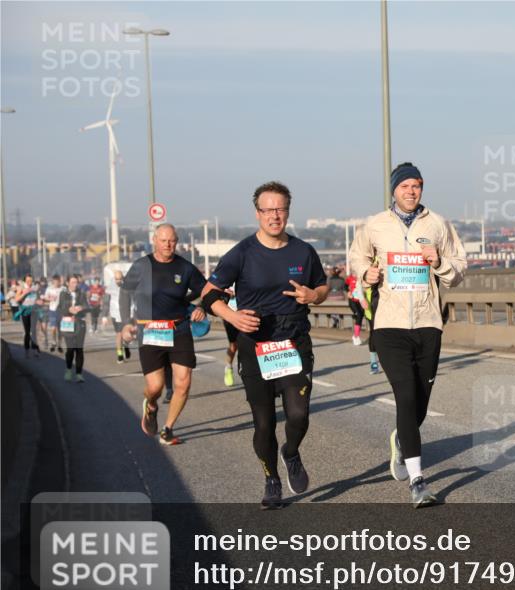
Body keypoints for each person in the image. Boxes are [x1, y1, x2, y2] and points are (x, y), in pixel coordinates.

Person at [201, 181, 329, 508]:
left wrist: (313, 295)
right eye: (267, 210)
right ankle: (271, 479)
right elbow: (208, 294)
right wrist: (231, 317)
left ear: (288, 211)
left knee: (298, 414)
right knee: (264, 423)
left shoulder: (303, 251)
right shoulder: (242, 252)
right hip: (255, 345)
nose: (275, 216)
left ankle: (291, 453)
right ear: (257, 213)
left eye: (280, 209)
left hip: (293, 341)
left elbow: (322, 287)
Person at [349, 162, 467, 507]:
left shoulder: (438, 225)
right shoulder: (375, 225)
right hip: (389, 325)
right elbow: (356, 258)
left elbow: (458, 271)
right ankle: (418, 481)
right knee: (404, 396)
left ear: (422, 189)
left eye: (415, 186)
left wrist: (439, 262)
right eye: (404, 187)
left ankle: (402, 439)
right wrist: (366, 273)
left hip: (429, 324)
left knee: (420, 403)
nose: (410, 192)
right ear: (394, 190)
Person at [120, 224, 208, 446]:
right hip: (150, 330)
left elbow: (206, 289)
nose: (168, 245)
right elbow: (125, 292)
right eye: (163, 240)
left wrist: (200, 307)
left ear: (177, 242)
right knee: (156, 386)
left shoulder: (185, 268)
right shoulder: (141, 266)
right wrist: (124, 324)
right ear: (154, 241)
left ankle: (168, 429)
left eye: (172, 241)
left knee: (183, 383)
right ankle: (150, 405)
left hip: (179, 329)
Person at [57, 275, 92, 381]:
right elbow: (60, 309)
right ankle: (68, 370)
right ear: (67, 283)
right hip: (67, 323)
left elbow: (87, 306)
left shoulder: (81, 293)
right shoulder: (63, 294)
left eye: (76, 282)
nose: (75, 284)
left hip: (80, 323)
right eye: (72, 282)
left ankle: (79, 374)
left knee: (79, 349)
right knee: (70, 349)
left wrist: (81, 308)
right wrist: (69, 309)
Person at [106, 269, 132, 363]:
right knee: (119, 334)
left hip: (126, 313)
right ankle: (120, 354)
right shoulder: (111, 285)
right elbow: (106, 300)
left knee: (127, 334)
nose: (118, 281)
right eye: (116, 279)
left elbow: (132, 300)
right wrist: (105, 315)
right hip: (115, 313)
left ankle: (126, 345)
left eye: (120, 279)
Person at [13, 275, 40, 357]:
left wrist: (39, 301)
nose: (29, 283)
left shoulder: (35, 288)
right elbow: (16, 299)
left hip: (34, 311)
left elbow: (37, 298)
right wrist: (24, 293)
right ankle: (27, 350)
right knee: (27, 331)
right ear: (24, 281)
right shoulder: (21, 288)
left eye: (31, 281)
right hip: (25, 311)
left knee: (34, 330)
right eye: (28, 281)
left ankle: (35, 349)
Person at [43, 275, 65, 353]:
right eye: (54, 281)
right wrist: (50, 299)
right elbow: (45, 297)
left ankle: (59, 344)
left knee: (61, 330)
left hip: (61, 311)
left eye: (57, 281)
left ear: (59, 281)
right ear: (53, 281)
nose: (56, 283)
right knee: (53, 328)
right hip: (52, 310)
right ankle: (53, 342)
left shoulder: (63, 289)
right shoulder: (49, 289)